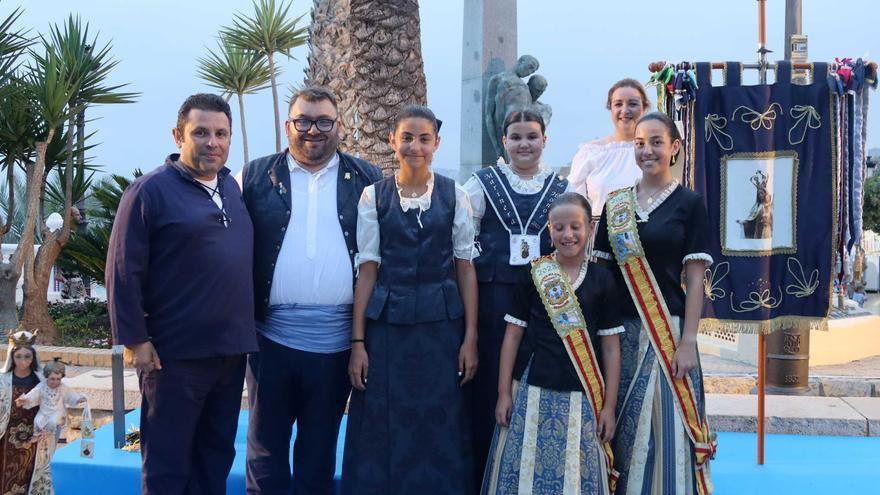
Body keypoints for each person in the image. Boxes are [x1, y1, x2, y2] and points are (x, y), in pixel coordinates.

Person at [106, 93, 257, 495]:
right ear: (178, 136)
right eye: (201, 132)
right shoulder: (148, 191)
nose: (213, 142)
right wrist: (136, 340)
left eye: (221, 134)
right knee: (168, 464)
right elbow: (123, 270)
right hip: (172, 358)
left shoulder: (232, 189)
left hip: (229, 354)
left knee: (214, 456)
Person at [238, 86, 381, 495]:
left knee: (318, 456)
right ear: (288, 126)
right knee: (265, 454)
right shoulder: (252, 176)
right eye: (303, 121)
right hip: (269, 342)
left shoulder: (368, 179)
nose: (312, 130)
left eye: (323, 121)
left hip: (338, 346)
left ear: (340, 126)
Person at [342, 105, 478, 495]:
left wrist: (470, 338)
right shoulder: (374, 197)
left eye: (423, 138)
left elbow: (464, 267)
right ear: (392, 141)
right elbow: (367, 270)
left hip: (442, 331)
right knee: (383, 423)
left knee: (440, 423)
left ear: (436, 143)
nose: (415, 146)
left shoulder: (457, 196)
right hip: (387, 332)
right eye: (407, 137)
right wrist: (358, 343)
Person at [593, 112, 715, 495]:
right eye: (640, 143)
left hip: (669, 334)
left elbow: (695, 278)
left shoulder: (689, 204)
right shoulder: (616, 207)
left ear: (675, 148)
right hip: (621, 336)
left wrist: (689, 340)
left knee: (667, 430)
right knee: (623, 429)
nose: (647, 150)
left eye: (656, 142)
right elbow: (601, 277)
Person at [481, 192, 622, 495]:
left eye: (575, 226)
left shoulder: (603, 281)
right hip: (531, 390)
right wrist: (504, 392)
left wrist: (609, 406)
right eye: (559, 228)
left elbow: (610, 347)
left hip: (584, 395)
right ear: (549, 230)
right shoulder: (534, 274)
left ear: (590, 229)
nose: (567, 234)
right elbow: (513, 337)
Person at [462, 109, 567, 483]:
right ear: (504, 142)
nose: (525, 144)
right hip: (492, 305)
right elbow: (460, 244)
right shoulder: (482, 183)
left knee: (532, 387)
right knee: (488, 389)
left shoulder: (560, 188)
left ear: (544, 140)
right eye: (517, 137)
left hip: (541, 308)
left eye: (532, 136)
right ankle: (482, 480)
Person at [567, 78, 650, 221]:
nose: (625, 110)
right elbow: (572, 207)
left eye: (633, 104)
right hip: (600, 239)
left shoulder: (655, 152)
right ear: (610, 108)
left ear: (644, 108)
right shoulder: (591, 152)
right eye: (618, 104)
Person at [0, 330, 50, 494]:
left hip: (33, 435)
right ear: (11, 357)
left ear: (33, 357)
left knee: (29, 474)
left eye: (27, 356)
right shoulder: (3, 379)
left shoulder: (41, 380)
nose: (23, 361)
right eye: (18, 356)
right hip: (6, 436)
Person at [16, 359, 87, 438]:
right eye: (52, 379)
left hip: (57, 412)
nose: (55, 382)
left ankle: (48, 434)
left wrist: (78, 399)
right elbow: (34, 393)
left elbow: (71, 395)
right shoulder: (42, 386)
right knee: (37, 421)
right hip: (44, 412)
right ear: (47, 376)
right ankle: (37, 435)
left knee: (52, 422)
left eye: (58, 379)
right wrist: (25, 399)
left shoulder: (62, 387)